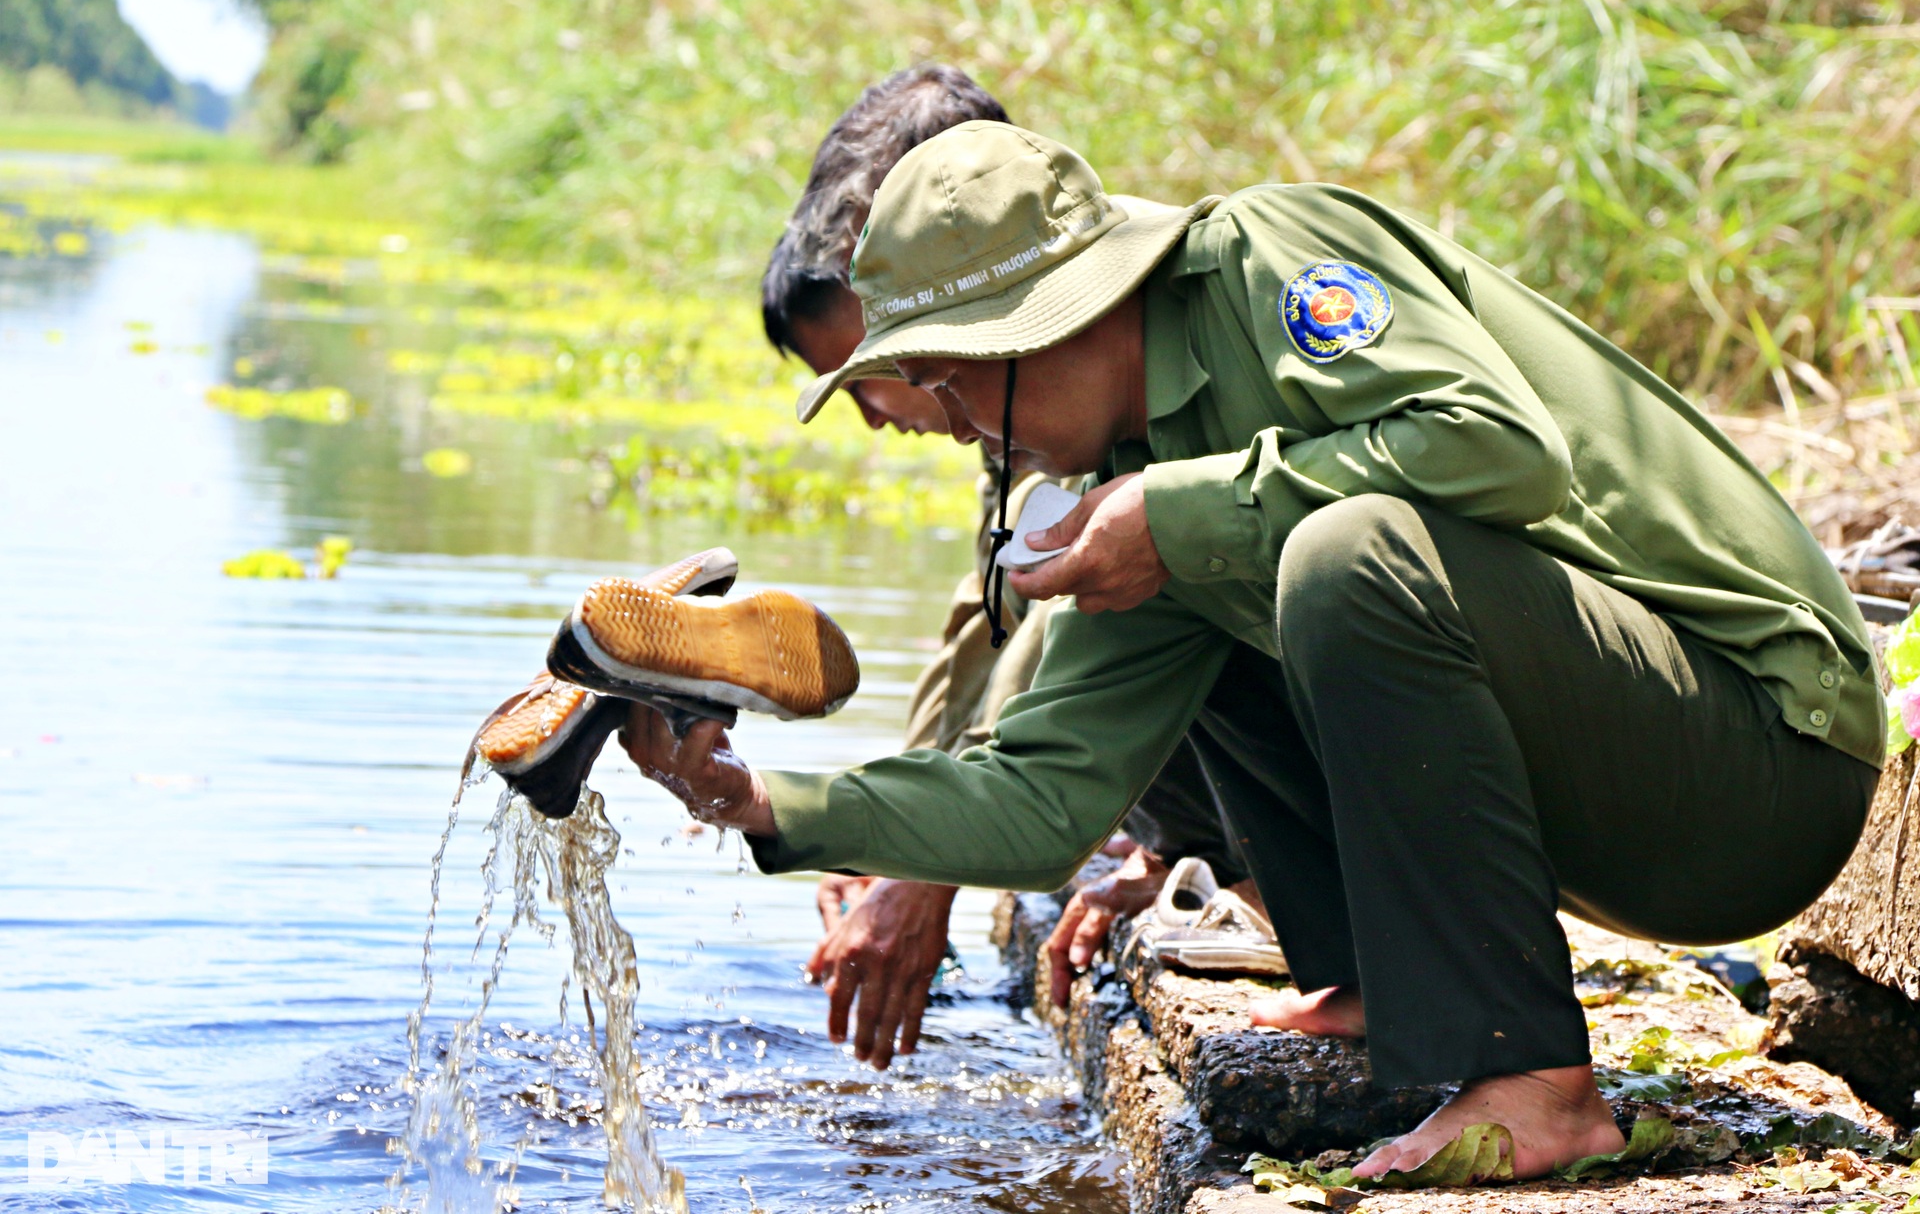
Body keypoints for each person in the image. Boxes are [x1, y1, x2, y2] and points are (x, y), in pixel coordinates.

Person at [620, 121, 1884, 1179]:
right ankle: (1377, 976)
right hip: (1626, 802)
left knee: (1340, 555)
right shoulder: (1139, 476)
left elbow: (1503, 446)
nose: (944, 425)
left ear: (1042, 322)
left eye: (951, 381)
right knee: (1242, 565)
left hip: (1763, 753)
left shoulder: (1274, 263)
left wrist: (1182, 514)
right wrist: (748, 798)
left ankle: (1537, 1080)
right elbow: (1037, 798)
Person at [759, 67, 1254, 1068]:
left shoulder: (1093, 385)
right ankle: (1193, 849)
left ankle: (1264, 877)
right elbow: (979, 623)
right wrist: (894, 835)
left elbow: (1046, 632)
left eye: (881, 368)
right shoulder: (1014, 406)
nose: (878, 407)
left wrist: (926, 870)